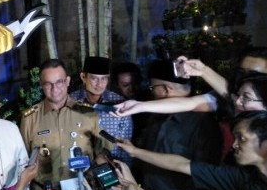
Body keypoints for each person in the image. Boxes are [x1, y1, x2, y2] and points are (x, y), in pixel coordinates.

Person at [115, 110, 267, 190]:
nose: (234, 145)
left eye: (241, 138)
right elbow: (183, 165)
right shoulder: (242, 178)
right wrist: (134, 153)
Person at [20, 58, 112, 190]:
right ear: (41, 84)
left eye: (59, 82)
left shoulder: (88, 113)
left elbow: (104, 150)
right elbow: (23, 160)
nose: (55, 88)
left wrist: (94, 178)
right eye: (48, 84)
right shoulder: (30, 118)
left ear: (68, 81)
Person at [136, 60, 222, 190]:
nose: (151, 93)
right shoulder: (156, 116)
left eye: (153, 88)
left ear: (166, 89)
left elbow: (204, 176)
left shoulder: (204, 125)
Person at [112, 47, 267, 116]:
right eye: (241, 72)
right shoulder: (237, 100)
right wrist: (140, 106)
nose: (245, 79)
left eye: (253, 75)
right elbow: (191, 103)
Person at [70, 56, 133, 166]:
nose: (99, 84)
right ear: (83, 77)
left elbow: (125, 147)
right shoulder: (71, 101)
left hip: (112, 168)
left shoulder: (119, 103)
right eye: (94, 78)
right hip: (78, 168)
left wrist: (124, 174)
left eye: (104, 78)